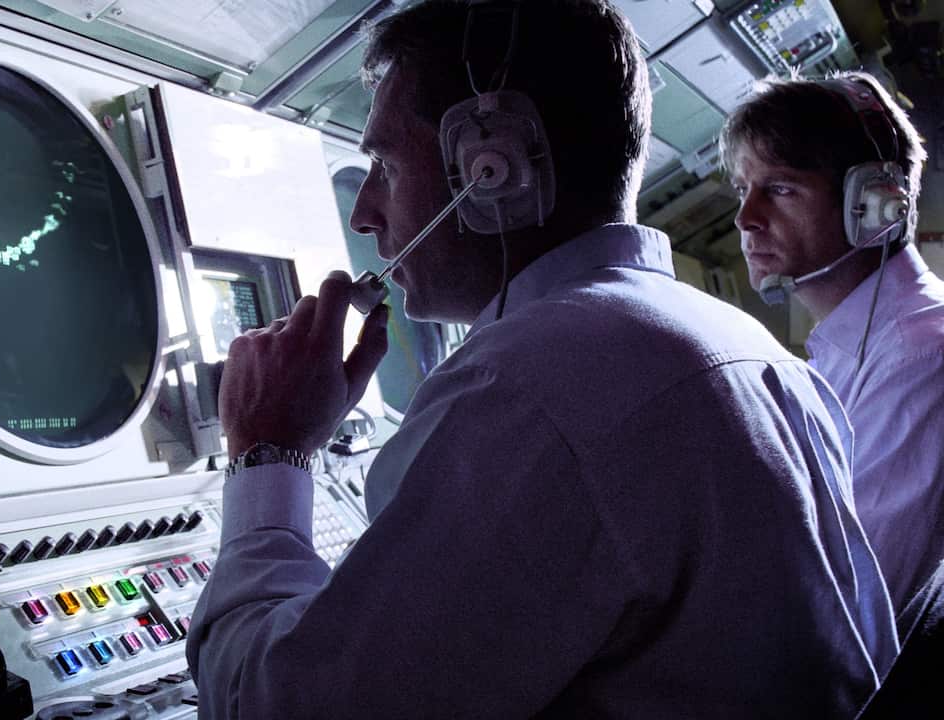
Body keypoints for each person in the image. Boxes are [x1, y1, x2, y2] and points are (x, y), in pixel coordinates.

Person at [187, 1, 896, 717]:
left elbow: (282, 706)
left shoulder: (530, 389)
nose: (364, 213)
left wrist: (269, 452)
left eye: (386, 166)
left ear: (493, 167)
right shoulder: (755, 352)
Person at [721, 71, 944, 617]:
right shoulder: (858, 345)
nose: (746, 218)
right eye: (743, 190)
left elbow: (850, 607)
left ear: (872, 204)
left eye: (780, 189)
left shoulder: (920, 355)